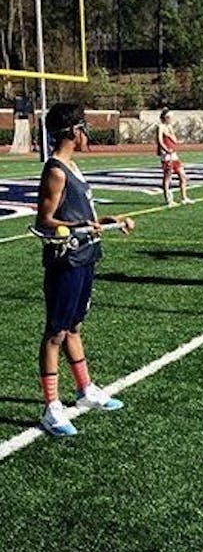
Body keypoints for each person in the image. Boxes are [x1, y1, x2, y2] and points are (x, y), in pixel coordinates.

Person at [35, 102, 135, 436]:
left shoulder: (73, 166)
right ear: (72, 131)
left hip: (86, 256)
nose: (85, 134)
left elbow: (84, 215)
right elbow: (44, 220)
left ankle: (85, 389)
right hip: (66, 262)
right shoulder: (56, 171)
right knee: (56, 333)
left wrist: (111, 221)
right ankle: (51, 407)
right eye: (83, 127)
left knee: (74, 326)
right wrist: (79, 226)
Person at [156, 108, 193, 206]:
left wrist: (169, 134)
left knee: (182, 175)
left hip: (174, 155)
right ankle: (168, 199)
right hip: (166, 155)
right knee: (168, 177)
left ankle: (184, 197)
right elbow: (159, 140)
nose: (171, 119)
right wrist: (166, 149)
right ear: (165, 117)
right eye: (169, 117)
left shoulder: (170, 127)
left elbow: (175, 140)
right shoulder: (160, 127)